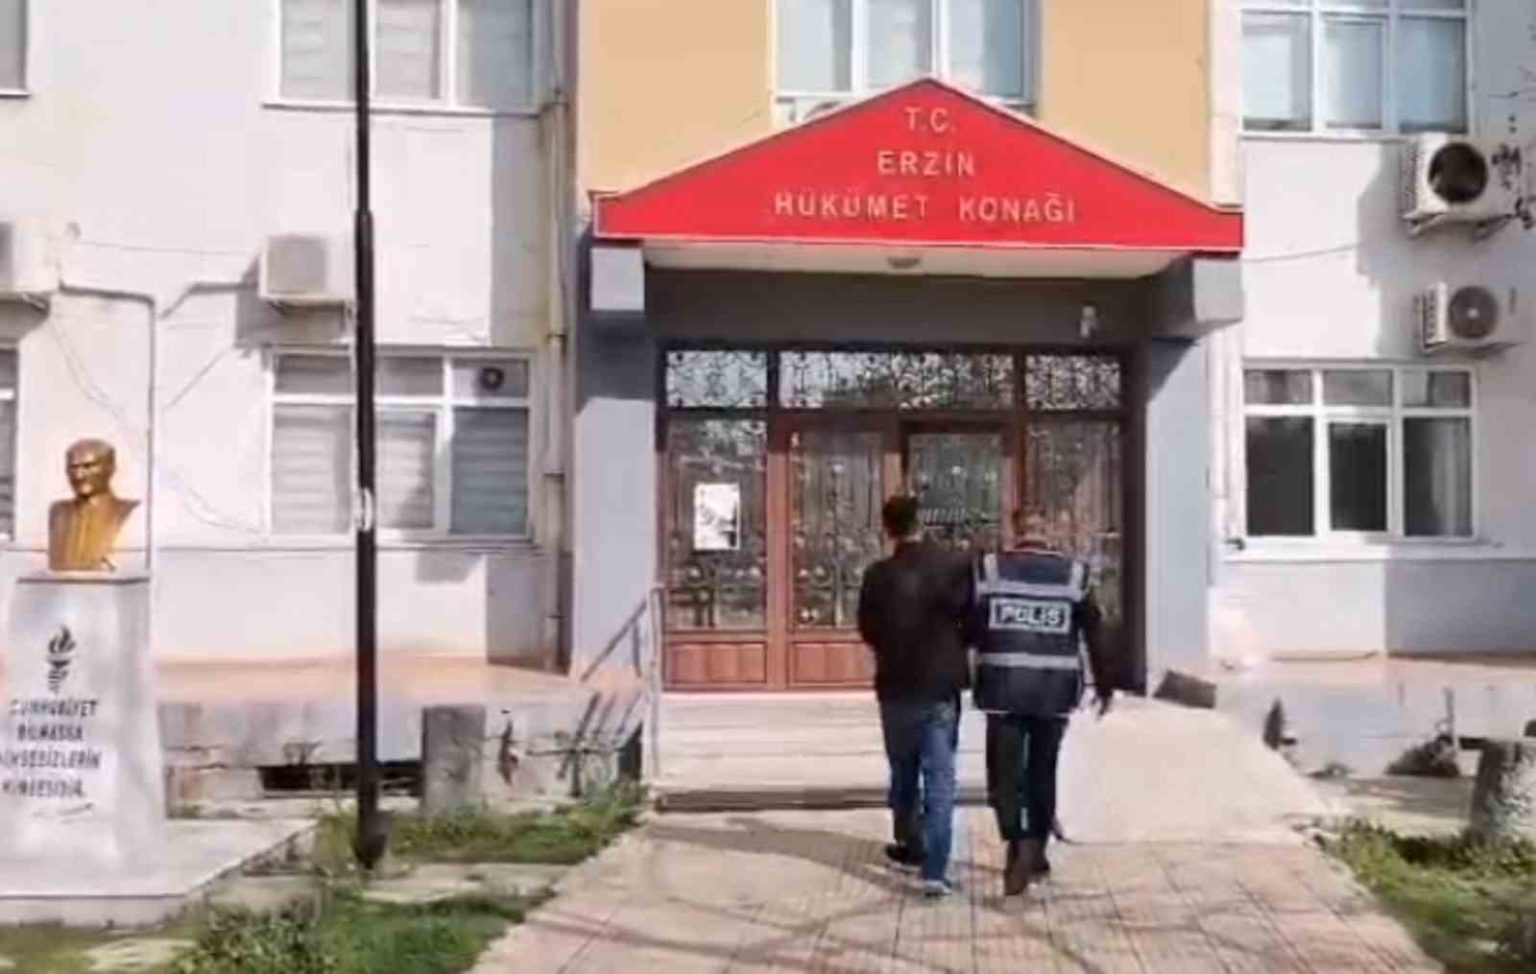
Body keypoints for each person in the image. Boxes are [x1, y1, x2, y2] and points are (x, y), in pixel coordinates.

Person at [968, 512, 1116, 896]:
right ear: (1047, 532)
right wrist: (1105, 685)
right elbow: (1095, 632)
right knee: (1042, 771)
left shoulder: (990, 569)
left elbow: (970, 625)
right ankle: (1035, 849)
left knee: (1005, 775)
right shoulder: (1074, 575)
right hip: (1054, 690)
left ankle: (1016, 840)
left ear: (1015, 531)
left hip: (1003, 688)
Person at [856, 494, 972, 897]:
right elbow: (971, 620)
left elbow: (867, 629)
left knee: (903, 771)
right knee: (939, 778)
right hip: (939, 687)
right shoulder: (953, 567)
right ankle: (935, 869)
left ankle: (909, 843)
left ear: (888, 529)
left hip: (895, 687)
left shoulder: (878, 575)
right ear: (921, 522)